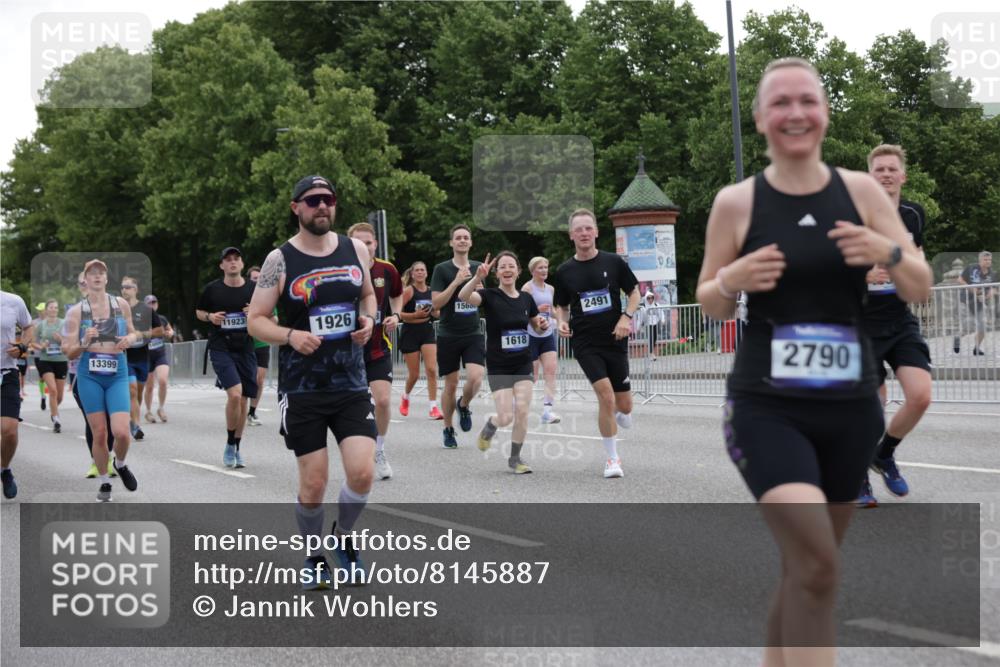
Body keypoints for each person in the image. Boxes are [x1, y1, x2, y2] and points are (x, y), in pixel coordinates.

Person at [695, 58, 931, 666]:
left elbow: (920, 286)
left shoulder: (858, 192)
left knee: (809, 572)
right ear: (759, 118)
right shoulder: (736, 203)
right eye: (780, 102)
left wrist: (889, 250)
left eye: (807, 100)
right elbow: (712, 302)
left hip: (850, 408)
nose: (795, 112)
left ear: (825, 113)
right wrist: (732, 276)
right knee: (819, 562)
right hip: (767, 406)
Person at [248, 174, 377, 588]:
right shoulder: (279, 260)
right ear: (296, 208)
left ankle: (343, 538)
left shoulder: (355, 248)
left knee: (362, 474)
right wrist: (290, 335)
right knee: (315, 481)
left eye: (329, 199)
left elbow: (369, 295)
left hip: (352, 382)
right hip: (303, 388)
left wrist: (369, 320)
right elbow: (255, 321)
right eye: (313, 200)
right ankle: (313, 555)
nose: (322, 206)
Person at [857, 144, 933, 507]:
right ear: (870, 176)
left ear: (902, 176)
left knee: (920, 395)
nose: (886, 174)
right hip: (861, 322)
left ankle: (883, 455)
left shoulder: (913, 215)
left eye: (892, 169)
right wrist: (863, 274)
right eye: (879, 169)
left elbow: (917, 259)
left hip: (899, 318)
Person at [552, 208, 639, 479]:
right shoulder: (565, 271)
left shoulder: (614, 263)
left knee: (624, 406)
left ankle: (621, 414)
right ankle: (612, 459)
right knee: (606, 396)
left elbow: (634, 293)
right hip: (585, 342)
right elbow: (561, 306)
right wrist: (561, 322)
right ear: (571, 235)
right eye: (579, 229)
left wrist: (626, 317)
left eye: (588, 228)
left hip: (615, 339)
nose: (584, 233)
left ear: (596, 232)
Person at [460, 252, 549, 473]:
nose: (507, 270)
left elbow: (535, 325)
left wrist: (542, 326)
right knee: (506, 416)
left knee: (522, 411)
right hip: (499, 365)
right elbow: (463, 296)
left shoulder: (527, 299)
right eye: (502, 267)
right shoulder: (489, 295)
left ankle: (515, 459)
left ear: (518, 271)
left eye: (511, 266)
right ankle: (492, 423)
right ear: (497, 272)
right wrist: (475, 278)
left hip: (523, 362)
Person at [63, 259, 141, 502]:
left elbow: (134, 332)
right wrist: (85, 341)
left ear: (107, 279)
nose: (97, 276)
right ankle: (105, 482)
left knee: (122, 432)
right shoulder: (76, 312)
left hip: (117, 372)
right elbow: (69, 351)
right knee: (99, 433)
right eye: (91, 273)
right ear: (85, 280)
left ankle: (121, 463)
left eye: (101, 273)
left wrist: (130, 339)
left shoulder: (120, 305)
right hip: (89, 375)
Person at [347, 222, 403, 480]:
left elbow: (397, 295)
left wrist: (397, 315)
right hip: (347, 351)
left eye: (368, 242)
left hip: (378, 347)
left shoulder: (387, 269)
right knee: (354, 407)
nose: (364, 247)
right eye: (358, 242)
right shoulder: (342, 270)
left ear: (375, 244)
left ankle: (379, 450)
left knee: (382, 401)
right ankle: (356, 452)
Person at [196, 247, 258, 468]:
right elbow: (199, 312)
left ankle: (236, 446)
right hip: (221, 347)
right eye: (227, 260)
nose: (232, 262)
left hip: (245, 348)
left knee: (242, 400)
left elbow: (269, 314)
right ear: (222, 265)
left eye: (236, 259)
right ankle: (230, 443)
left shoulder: (254, 289)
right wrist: (210, 316)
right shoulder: (212, 289)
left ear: (241, 264)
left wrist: (256, 313)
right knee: (235, 395)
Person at [430, 225, 485, 448]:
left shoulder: (478, 267)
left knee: (476, 377)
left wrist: (478, 287)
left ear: (471, 243)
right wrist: (456, 281)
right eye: (458, 238)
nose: (462, 240)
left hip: (472, 332)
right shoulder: (442, 269)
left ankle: (464, 404)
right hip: (448, 334)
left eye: (466, 238)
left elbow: (483, 299)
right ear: (451, 243)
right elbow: (436, 304)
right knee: (450, 384)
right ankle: (448, 428)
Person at [397, 261, 443, 420]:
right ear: (412, 274)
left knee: (431, 369)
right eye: (416, 270)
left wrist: (440, 312)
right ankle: (405, 396)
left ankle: (433, 407)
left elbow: (436, 313)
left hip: (426, 331)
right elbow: (397, 313)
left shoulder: (432, 292)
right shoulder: (409, 291)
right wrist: (414, 316)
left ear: (426, 273)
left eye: (422, 270)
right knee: (414, 374)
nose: (420, 272)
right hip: (410, 332)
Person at [521, 256, 561, 424]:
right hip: (531, 334)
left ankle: (547, 412)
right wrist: (536, 309)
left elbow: (552, 311)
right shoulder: (527, 288)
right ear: (532, 271)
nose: (544, 270)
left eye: (546, 267)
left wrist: (562, 320)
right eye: (540, 268)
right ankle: (519, 404)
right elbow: (520, 310)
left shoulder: (550, 289)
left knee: (551, 372)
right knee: (533, 376)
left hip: (547, 335)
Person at [2, 291, 34, 499]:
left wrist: (22, 345)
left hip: (6, 373)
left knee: (10, 430)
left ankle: (4, 469)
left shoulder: (13, 301)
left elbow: (29, 326)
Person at [121, 276, 160, 440]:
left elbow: (159, 331)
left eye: (128, 287)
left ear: (136, 289)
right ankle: (136, 426)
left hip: (142, 357)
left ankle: (131, 418)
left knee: (138, 394)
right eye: (123, 287)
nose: (125, 290)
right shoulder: (117, 309)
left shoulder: (146, 309)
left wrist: (142, 334)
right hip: (125, 357)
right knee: (132, 390)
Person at [31, 299, 68, 433]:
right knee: (52, 390)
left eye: (56, 307)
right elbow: (33, 342)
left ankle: (53, 409)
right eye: (51, 307)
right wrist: (41, 346)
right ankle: (56, 419)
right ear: (46, 310)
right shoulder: (41, 325)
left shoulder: (64, 323)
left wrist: (61, 340)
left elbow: (70, 341)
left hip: (61, 360)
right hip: (45, 360)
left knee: (59, 396)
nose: (54, 309)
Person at [245, 266, 275, 427]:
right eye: (254, 278)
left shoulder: (268, 297)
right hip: (244, 342)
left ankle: (252, 412)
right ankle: (240, 407)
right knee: (246, 378)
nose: (257, 281)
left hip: (262, 342)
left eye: (259, 278)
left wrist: (259, 314)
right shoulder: (242, 295)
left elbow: (275, 320)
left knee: (259, 379)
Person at [142, 294, 174, 423]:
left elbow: (170, 330)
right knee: (149, 386)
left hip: (160, 354)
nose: (152, 305)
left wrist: (170, 333)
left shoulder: (162, 319)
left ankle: (161, 408)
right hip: (146, 356)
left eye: (154, 303)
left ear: (157, 304)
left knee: (163, 381)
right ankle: (148, 412)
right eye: (149, 303)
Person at [956, 250, 995, 356]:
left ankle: (976, 348)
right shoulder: (971, 268)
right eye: (985, 259)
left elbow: (993, 288)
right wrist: (971, 288)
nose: (988, 262)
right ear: (980, 260)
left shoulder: (992, 273)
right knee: (967, 327)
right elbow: (960, 280)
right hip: (966, 301)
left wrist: (988, 295)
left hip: (980, 303)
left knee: (982, 327)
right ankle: (957, 338)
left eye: (989, 260)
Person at [638, 290, 661, 361]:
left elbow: (660, 313)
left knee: (654, 338)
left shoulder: (656, 305)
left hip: (655, 323)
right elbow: (640, 317)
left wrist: (662, 320)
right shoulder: (644, 307)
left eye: (652, 298)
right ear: (646, 298)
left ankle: (651, 353)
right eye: (648, 298)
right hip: (647, 324)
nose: (650, 299)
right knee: (650, 338)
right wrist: (638, 326)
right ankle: (651, 354)